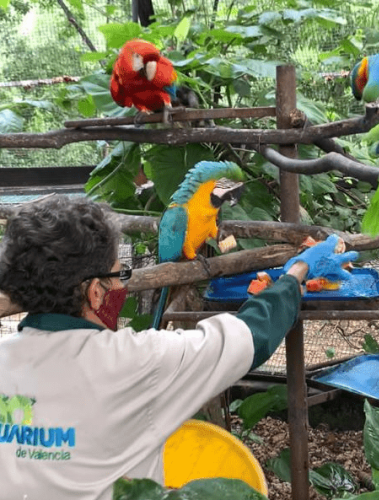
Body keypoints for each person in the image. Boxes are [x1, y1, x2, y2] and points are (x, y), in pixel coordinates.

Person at [0, 195, 358, 500]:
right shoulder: (138, 362)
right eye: (118, 276)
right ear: (95, 293)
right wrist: (297, 272)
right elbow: (251, 334)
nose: (120, 286)